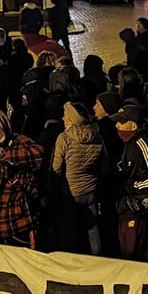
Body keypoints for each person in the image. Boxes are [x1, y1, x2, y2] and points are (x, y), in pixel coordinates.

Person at [0, 108, 44, 247]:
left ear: (2, 125)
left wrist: (2, 159)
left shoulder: (20, 141)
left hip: (21, 221)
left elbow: (39, 154)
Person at [51, 102, 106, 254]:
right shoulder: (97, 136)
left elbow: (56, 168)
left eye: (66, 116)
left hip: (70, 192)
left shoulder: (64, 138)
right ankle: (97, 259)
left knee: (69, 232)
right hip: (91, 190)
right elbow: (104, 165)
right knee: (93, 231)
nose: (62, 118)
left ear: (71, 120)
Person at [112, 104, 148, 259]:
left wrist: (133, 187)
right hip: (127, 205)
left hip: (139, 209)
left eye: (121, 122)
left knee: (137, 251)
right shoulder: (128, 144)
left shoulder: (141, 143)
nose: (117, 125)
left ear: (133, 125)